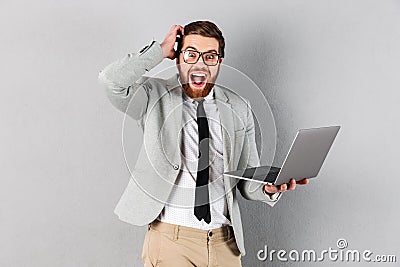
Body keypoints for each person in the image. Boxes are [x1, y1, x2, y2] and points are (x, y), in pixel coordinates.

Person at [98, 20, 308, 267]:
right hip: (171, 241)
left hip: (225, 243)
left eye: (209, 56)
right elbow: (110, 81)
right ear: (178, 58)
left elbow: (248, 180)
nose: (200, 64)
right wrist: (160, 50)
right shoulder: (153, 96)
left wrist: (268, 188)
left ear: (219, 62)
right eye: (191, 54)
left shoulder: (239, 107)